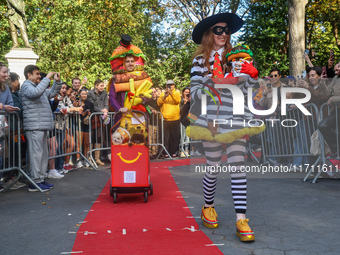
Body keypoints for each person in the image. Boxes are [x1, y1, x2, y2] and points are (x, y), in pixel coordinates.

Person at [188, 13, 263, 242]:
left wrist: (252, 76)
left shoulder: (238, 57)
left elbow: (251, 90)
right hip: (211, 119)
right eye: (218, 30)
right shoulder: (200, 60)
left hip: (236, 118)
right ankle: (208, 206)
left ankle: (241, 219)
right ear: (209, 34)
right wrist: (214, 83)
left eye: (226, 30)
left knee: (237, 166)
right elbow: (195, 93)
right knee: (213, 167)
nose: (223, 34)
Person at [21, 65, 62, 192]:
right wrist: (47, 78)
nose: (40, 76)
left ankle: (40, 179)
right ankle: (34, 181)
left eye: (40, 74)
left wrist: (57, 82)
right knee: (36, 154)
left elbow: (52, 93)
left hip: (41, 125)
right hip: (34, 126)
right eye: (37, 74)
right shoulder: (26, 86)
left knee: (42, 154)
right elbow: (35, 93)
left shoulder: (38, 87)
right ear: (29, 75)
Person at [0, 62, 18, 192]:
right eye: (4, 72)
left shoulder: (6, 88)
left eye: (7, 72)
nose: (6, 75)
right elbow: (4, 106)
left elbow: (10, 103)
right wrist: (2, 106)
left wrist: (8, 108)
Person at [318, 62, 340, 157]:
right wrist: (322, 83)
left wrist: (333, 99)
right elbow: (327, 94)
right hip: (336, 110)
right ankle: (335, 149)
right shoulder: (336, 78)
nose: (335, 72)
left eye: (337, 70)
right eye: (334, 70)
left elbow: (330, 97)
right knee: (322, 125)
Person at [157, 80, 181, 158]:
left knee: (174, 136)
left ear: (174, 85)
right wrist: (164, 97)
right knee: (165, 137)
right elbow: (158, 103)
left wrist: (171, 94)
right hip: (165, 118)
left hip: (174, 118)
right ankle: (166, 152)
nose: (170, 86)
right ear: (166, 86)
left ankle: (173, 151)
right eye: (168, 85)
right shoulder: (163, 93)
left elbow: (177, 101)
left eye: (171, 85)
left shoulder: (177, 93)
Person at [87, 79, 109, 166]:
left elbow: (106, 104)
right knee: (91, 137)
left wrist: (105, 110)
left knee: (99, 136)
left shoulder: (104, 93)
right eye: (101, 86)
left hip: (102, 117)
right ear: (96, 86)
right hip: (93, 117)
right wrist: (101, 110)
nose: (102, 87)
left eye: (103, 86)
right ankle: (89, 158)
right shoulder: (90, 93)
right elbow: (92, 105)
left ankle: (97, 158)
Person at [145, 87, 161, 159]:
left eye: (154, 92)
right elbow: (146, 106)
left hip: (158, 122)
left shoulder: (158, 101)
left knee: (156, 138)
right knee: (150, 138)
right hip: (150, 121)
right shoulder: (148, 101)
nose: (153, 93)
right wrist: (152, 109)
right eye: (152, 92)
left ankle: (155, 152)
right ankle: (150, 153)